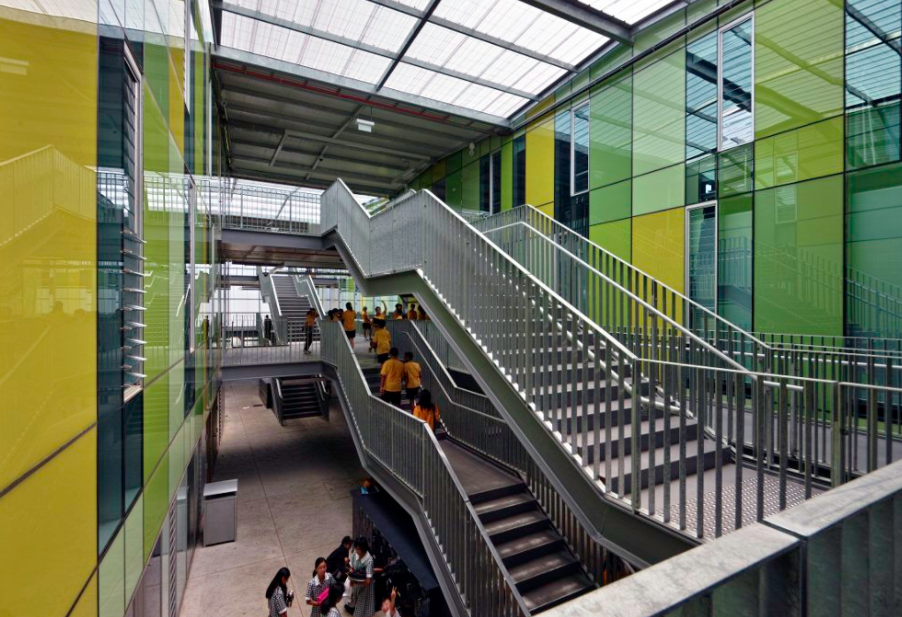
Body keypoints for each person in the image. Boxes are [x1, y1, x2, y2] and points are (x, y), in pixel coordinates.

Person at [348, 537, 375, 617]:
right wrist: (351, 578)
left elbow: (368, 581)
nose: (356, 551)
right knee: (357, 604)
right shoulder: (354, 554)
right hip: (356, 585)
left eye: (358, 549)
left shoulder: (369, 560)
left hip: (365, 587)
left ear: (363, 549)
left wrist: (355, 582)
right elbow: (351, 568)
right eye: (356, 548)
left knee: (360, 609)